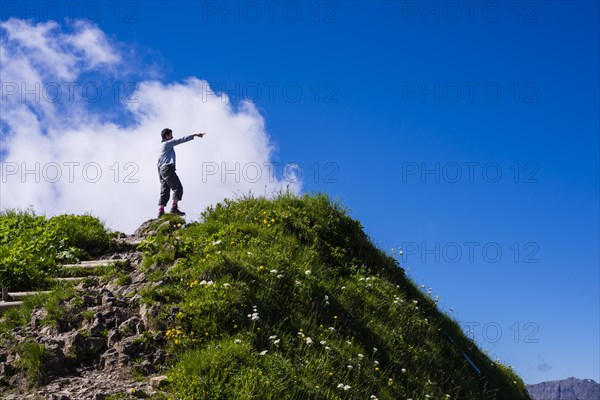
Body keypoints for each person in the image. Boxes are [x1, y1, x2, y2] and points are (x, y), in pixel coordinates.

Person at [157, 128, 205, 217]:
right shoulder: (167, 143)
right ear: (166, 136)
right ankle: (174, 208)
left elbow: (158, 163)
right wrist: (194, 135)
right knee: (178, 188)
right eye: (171, 135)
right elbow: (181, 140)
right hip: (168, 168)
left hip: (161, 170)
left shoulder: (161, 147)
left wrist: (160, 176)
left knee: (164, 191)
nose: (172, 136)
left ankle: (161, 211)